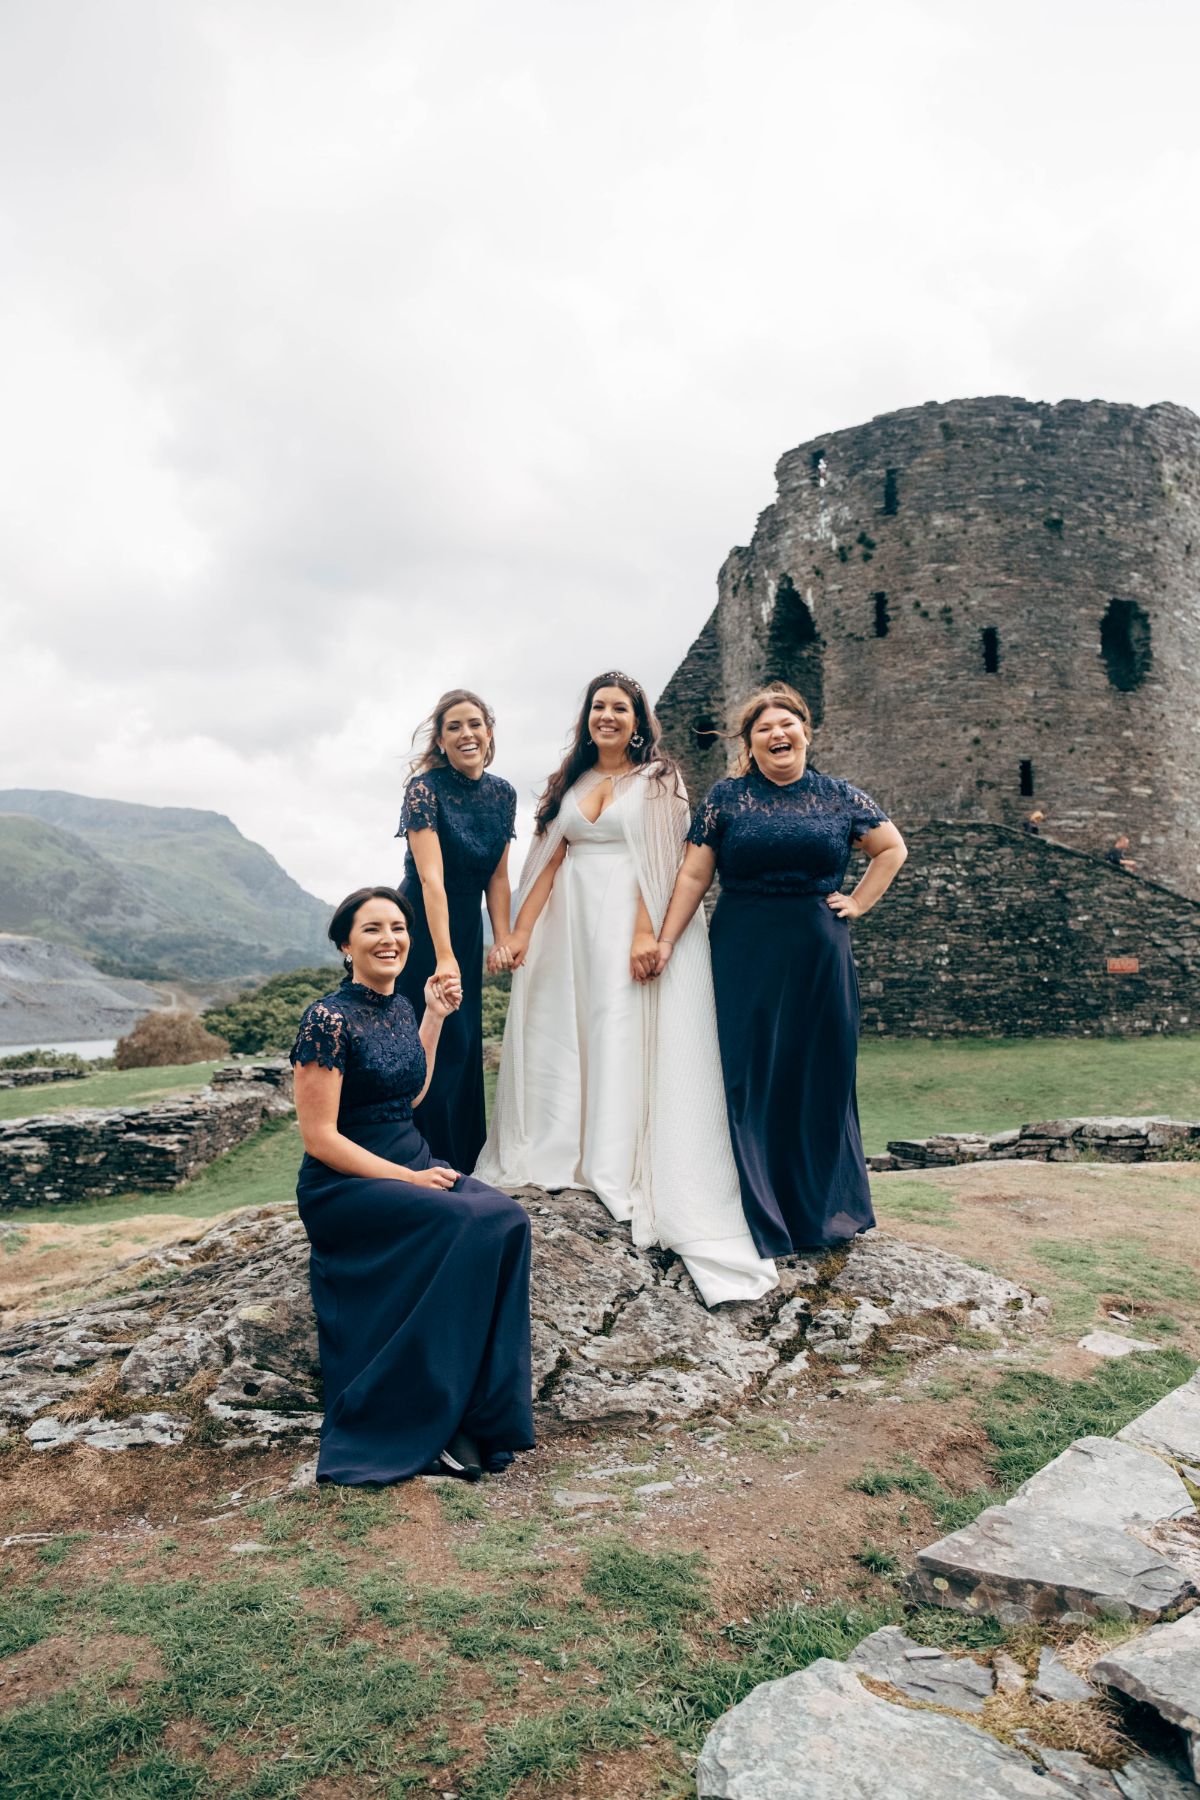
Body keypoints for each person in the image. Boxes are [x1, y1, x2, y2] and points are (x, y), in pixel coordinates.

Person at [476, 672, 777, 1307]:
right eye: (597, 708)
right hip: (569, 929)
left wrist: (647, 934)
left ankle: (611, 1163)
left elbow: (665, 864)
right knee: (563, 1035)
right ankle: (560, 1152)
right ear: (586, 718)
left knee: (617, 1032)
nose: (607, 717)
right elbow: (550, 858)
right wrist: (520, 934)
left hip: (624, 922)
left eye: (619, 709)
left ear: (637, 720)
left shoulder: (660, 779)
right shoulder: (570, 783)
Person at [290, 886, 534, 1487]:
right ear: (346, 945)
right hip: (346, 1183)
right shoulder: (326, 1019)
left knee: (508, 1221)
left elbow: (411, 1093)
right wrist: (408, 1179)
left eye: (398, 927)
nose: (390, 939)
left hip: (409, 1159)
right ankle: (426, 1415)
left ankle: (479, 1407)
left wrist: (432, 1016)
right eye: (372, 929)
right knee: (462, 1223)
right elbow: (320, 1137)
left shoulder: (399, 1005)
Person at [654, 683, 907, 1258]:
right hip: (744, 946)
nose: (778, 734)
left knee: (820, 1071)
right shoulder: (727, 798)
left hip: (819, 950)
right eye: (764, 727)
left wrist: (859, 902)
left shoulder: (841, 797)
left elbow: (891, 849)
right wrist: (667, 940)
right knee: (748, 1073)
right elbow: (694, 877)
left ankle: (824, 1212)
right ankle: (755, 1211)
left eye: (787, 724)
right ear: (750, 742)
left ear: (806, 732)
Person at [396, 690, 517, 1169]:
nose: (466, 734)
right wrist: (444, 956)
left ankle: (464, 1160)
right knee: (425, 1034)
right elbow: (431, 878)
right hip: (420, 922)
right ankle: (417, 1158)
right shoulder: (424, 789)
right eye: (454, 728)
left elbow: (500, 876)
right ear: (441, 740)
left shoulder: (503, 793)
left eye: (474, 724)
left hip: (467, 923)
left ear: (488, 732)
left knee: (464, 1040)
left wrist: (501, 938)